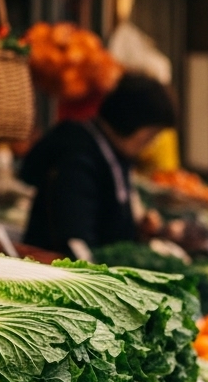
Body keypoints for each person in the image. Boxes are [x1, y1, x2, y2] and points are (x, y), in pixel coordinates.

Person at [22, 74, 176, 253]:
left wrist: (135, 227)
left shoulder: (112, 151)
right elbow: (75, 242)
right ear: (134, 123)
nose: (150, 143)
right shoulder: (77, 154)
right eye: (151, 135)